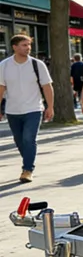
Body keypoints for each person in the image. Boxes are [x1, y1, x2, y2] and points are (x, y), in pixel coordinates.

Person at [0, 34, 54, 182]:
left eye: (29, 45)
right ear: (15, 47)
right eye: (24, 45)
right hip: (12, 109)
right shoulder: (4, 65)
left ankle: (27, 169)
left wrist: (50, 106)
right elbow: (1, 88)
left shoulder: (37, 64)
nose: (28, 48)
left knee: (29, 139)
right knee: (19, 140)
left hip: (34, 108)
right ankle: (29, 159)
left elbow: (47, 86)